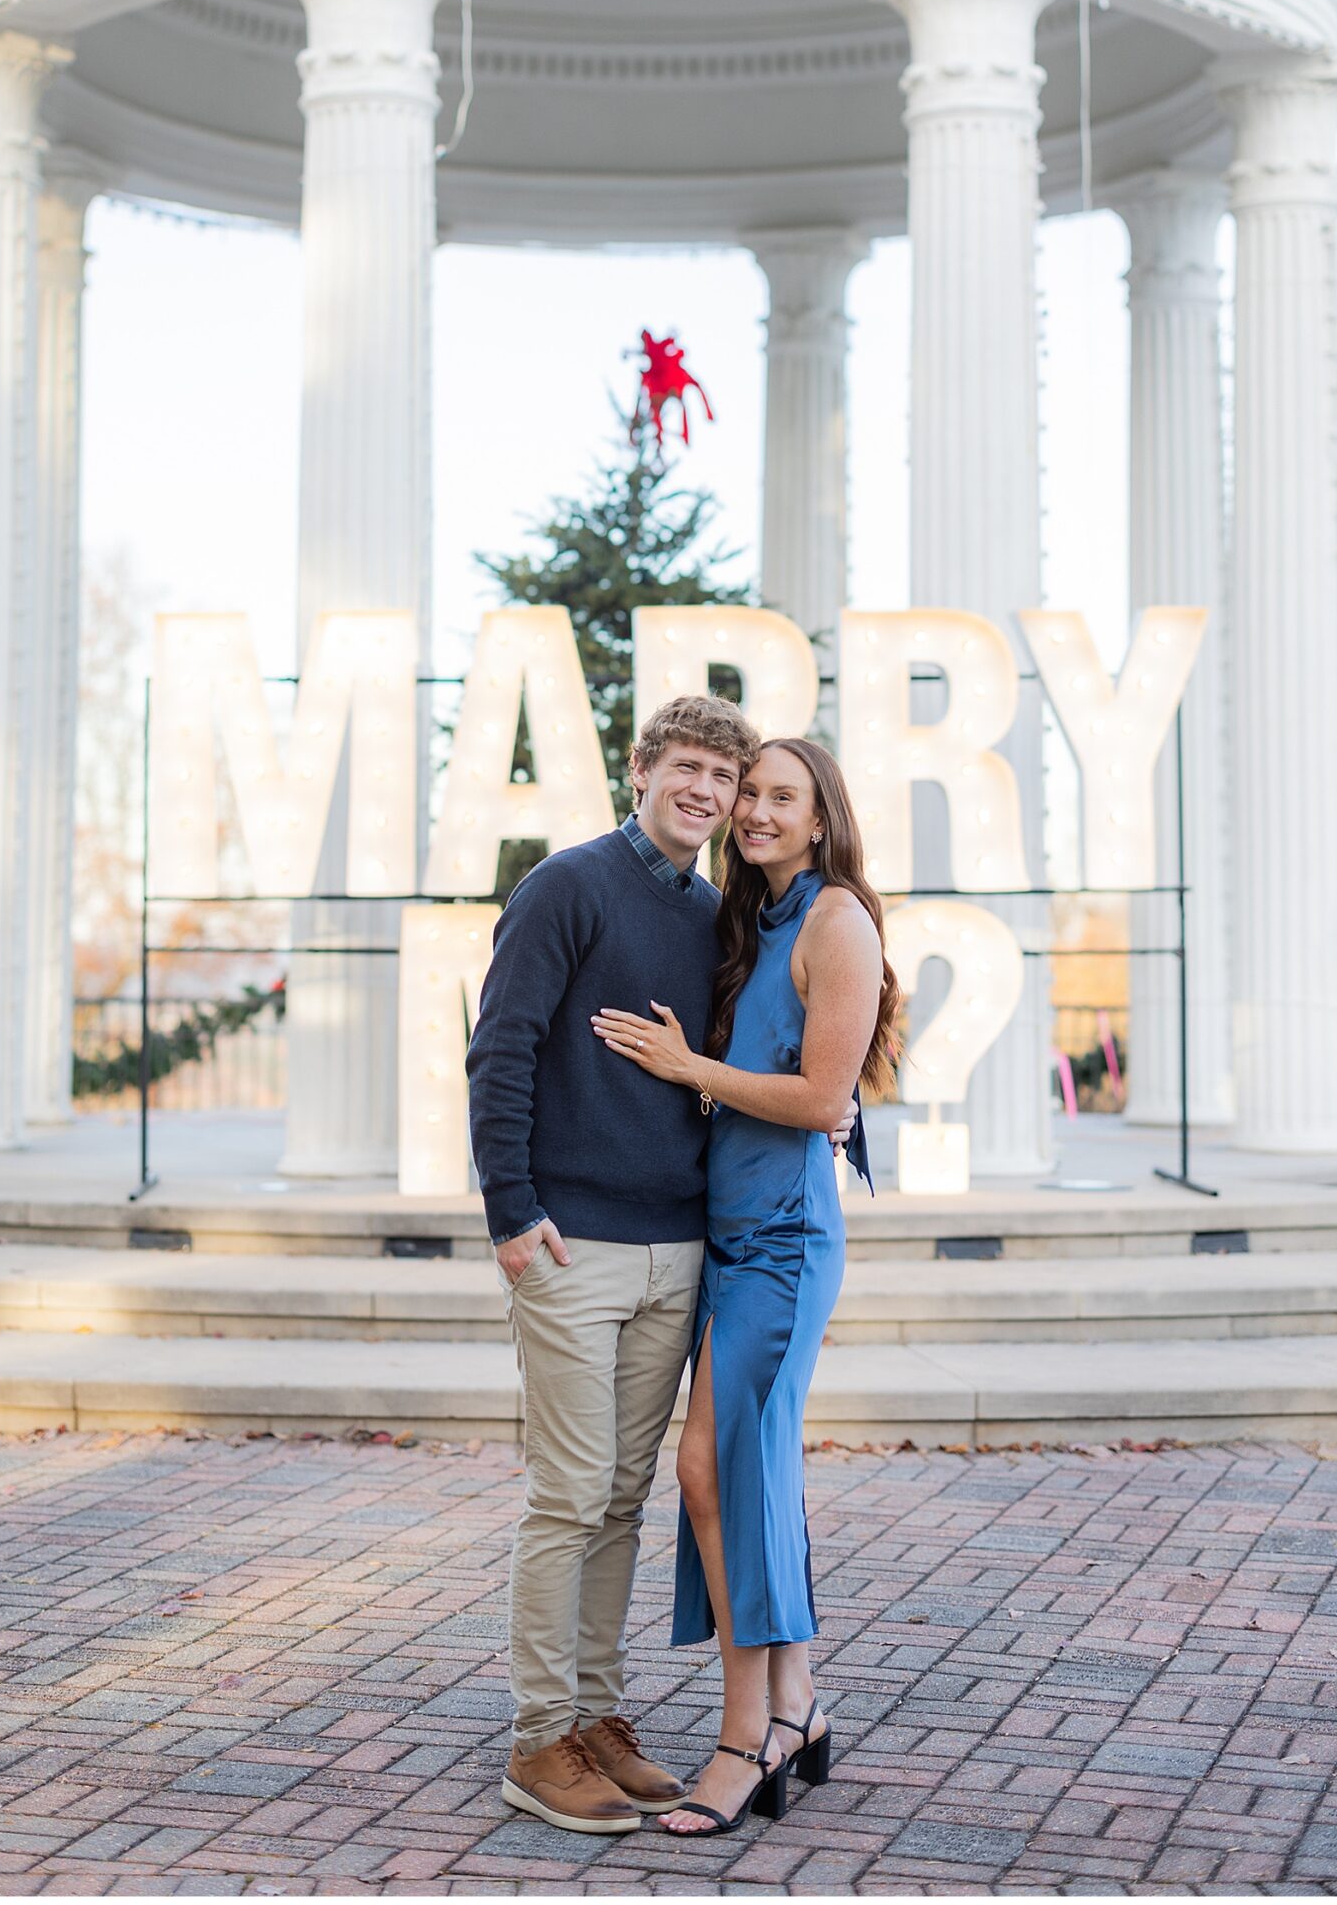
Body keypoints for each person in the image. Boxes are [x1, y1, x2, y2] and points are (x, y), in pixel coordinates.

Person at [464, 693, 760, 1837]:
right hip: (569, 1242)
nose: (703, 791)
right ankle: (539, 1737)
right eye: (685, 766)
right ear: (640, 769)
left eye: (722, 778)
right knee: (569, 1491)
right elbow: (500, 1047)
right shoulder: (566, 885)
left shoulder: (711, 913)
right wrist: (509, 1210)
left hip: (672, 1248)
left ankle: (593, 1718)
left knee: (624, 1498)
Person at [592, 737, 897, 1837]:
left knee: (709, 1468)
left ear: (821, 817)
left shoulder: (837, 921)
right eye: (748, 794)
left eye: (781, 797)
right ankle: (797, 1706)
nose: (756, 811)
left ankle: (745, 1737)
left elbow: (820, 1099)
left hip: (782, 1241)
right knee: (749, 1473)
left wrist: (691, 1069)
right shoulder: (749, 918)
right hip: (723, 1235)